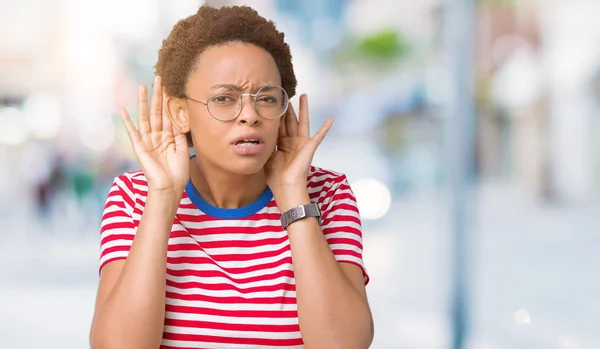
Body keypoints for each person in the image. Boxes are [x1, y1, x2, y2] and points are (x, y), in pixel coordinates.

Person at [90, 5, 373, 349]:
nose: (250, 116)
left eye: (267, 98)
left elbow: (344, 344)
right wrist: (164, 195)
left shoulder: (327, 195)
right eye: (224, 99)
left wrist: (292, 195)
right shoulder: (134, 196)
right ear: (181, 113)